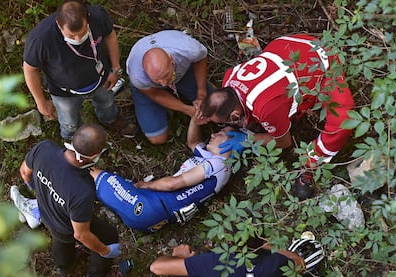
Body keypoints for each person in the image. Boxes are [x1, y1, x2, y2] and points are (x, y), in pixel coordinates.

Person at [198, 34, 355, 200]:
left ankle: (310, 167)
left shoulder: (265, 108)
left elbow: (284, 142)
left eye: (224, 123)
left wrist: (248, 139)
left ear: (234, 114)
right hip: (290, 45)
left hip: (324, 64)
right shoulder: (229, 78)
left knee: (343, 121)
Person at [12, 119, 234, 233]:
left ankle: (38, 209)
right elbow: (193, 143)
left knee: (86, 173)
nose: (214, 134)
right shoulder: (213, 158)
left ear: (230, 144)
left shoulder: (217, 163)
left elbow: (173, 183)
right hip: (155, 216)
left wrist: (146, 186)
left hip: (149, 207)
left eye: (220, 134)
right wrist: (195, 117)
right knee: (90, 184)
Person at [16, 123, 132, 277]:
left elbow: (24, 172)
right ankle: (98, 275)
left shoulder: (44, 149)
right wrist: (105, 251)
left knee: (61, 239)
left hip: (46, 212)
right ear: (94, 156)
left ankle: (64, 266)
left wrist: (42, 191)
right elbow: (81, 234)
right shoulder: (82, 190)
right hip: (66, 227)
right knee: (108, 234)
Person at [23, 0, 136, 140]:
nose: (78, 38)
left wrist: (115, 68)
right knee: (69, 122)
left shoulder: (98, 16)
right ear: (59, 25)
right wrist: (41, 102)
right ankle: (74, 140)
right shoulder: (41, 40)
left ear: (88, 19)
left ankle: (110, 120)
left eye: (82, 33)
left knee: (107, 103)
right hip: (64, 92)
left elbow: (110, 35)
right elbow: (30, 69)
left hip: (101, 78)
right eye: (71, 36)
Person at [150, 238, 325, 277]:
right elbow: (299, 263)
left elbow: (156, 267)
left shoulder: (214, 263)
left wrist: (178, 256)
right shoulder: (275, 264)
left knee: (181, 263)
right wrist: (270, 246)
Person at [126, 30, 213, 145]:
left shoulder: (189, 49)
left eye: (165, 75)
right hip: (150, 89)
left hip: (182, 73)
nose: (163, 84)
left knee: (214, 106)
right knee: (157, 139)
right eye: (156, 79)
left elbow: (201, 59)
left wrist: (201, 93)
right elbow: (155, 94)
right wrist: (187, 109)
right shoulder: (138, 75)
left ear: (171, 59)